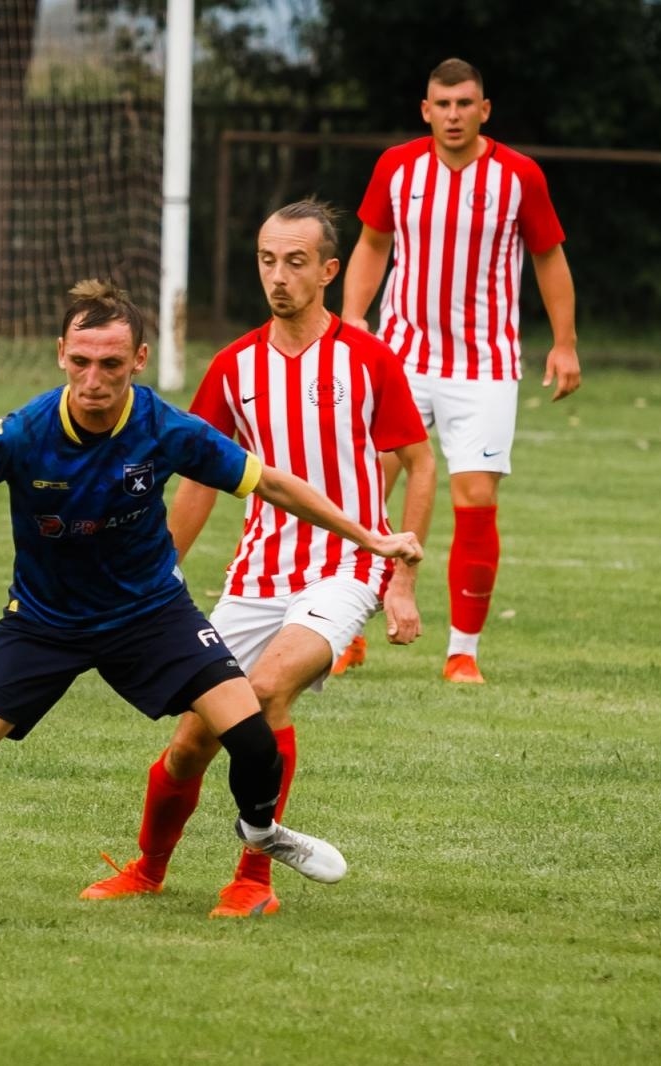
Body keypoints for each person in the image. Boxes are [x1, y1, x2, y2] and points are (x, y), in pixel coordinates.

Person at [0, 280, 424, 917]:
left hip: (149, 614)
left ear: (138, 361)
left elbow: (272, 484)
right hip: (42, 622)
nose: (94, 380)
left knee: (251, 737)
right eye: (81, 362)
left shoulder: (164, 428)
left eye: (111, 364)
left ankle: (260, 833)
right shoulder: (23, 433)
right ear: (61, 353)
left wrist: (367, 535)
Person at [78, 200, 435, 919]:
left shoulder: (368, 360)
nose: (279, 275)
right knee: (192, 741)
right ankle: (148, 870)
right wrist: (153, 576)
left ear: (330, 270)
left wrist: (401, 582)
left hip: (346, 568)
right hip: (256, 575)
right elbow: (197, 478)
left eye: (296, 261)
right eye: (268, 260)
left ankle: (254, 877)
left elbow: (419, 464)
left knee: (268, 691)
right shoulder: (235, 367)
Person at [341, 57, 582, 685]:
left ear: (484, 109)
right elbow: (370, 244)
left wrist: (565, 343)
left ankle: (462, 652)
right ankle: (344, 633)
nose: (453, 114)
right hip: (399, 356)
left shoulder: (518, 176)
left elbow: (548, 257)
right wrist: (350, 321)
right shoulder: (397, 167)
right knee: (366, 493)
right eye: (442, 105)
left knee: (475, 498)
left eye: (464, 103)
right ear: (426, 111)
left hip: (484, 366)